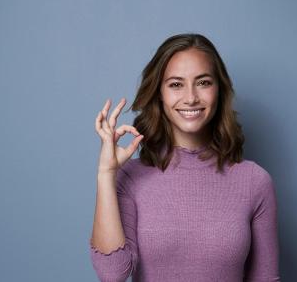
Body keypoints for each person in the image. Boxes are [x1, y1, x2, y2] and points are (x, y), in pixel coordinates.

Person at [89, 33, 281, 282]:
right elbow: (112, 274)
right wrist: (106, 174)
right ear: (159, 93)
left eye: (203, 82)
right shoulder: (130, 178)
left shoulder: (255, 181)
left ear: (219, 90)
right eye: (176, 84)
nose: (191, 97)